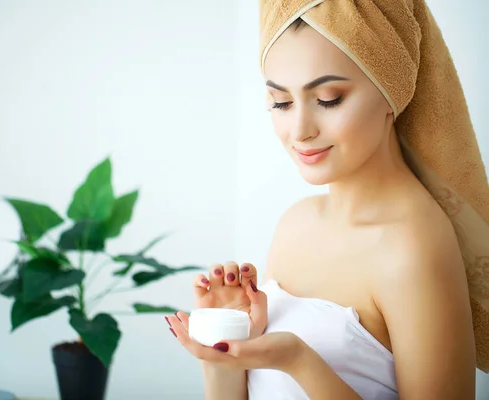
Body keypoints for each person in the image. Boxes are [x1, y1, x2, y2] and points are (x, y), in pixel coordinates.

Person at [165, 1, 489, 399]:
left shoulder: (412, 249)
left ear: (393, 91)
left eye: (329, 98)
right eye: (281, 102)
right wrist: (222, 347)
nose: (299, 131)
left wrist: (299, 361)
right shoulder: (295, 223)